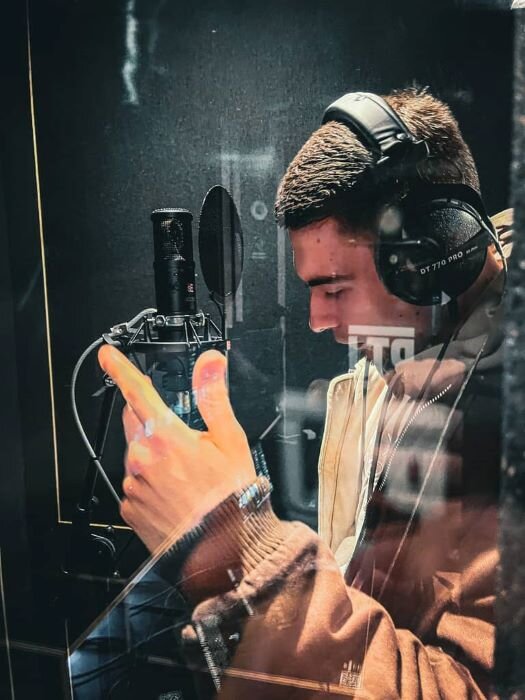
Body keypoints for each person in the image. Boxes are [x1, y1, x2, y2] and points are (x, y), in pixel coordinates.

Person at [98, 87, 511, 698]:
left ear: (434, 254)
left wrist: (236, 548)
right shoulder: (422, 348)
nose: (317, 319)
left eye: (336, 288)